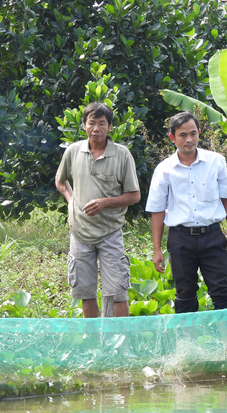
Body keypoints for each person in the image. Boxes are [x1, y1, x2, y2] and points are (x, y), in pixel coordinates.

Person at [55, 102, 141, 318]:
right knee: (86, 291)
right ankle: (95, 342)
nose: (96, 129)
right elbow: (61, 181)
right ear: (84, 125)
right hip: (80, 233)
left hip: (110, 233)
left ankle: (118, 342)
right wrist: (71, 200)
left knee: (117, 291)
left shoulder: (122, 154)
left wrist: (105, 202)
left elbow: (134, 195)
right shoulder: (73, 151)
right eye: (91, 123)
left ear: (110, 127)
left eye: (102, 123)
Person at [146, 112, 227, 313]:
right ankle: (187, 343)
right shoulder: (164, 169)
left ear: (199, 133)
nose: (189, 140)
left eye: (193, 134)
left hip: (212, 235)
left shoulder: (216, 161)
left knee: (222, 290)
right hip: (180, 239)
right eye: (183, 135)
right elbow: (157, 210)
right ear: (172, 138)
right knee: (184, 292)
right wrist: (157, 248)